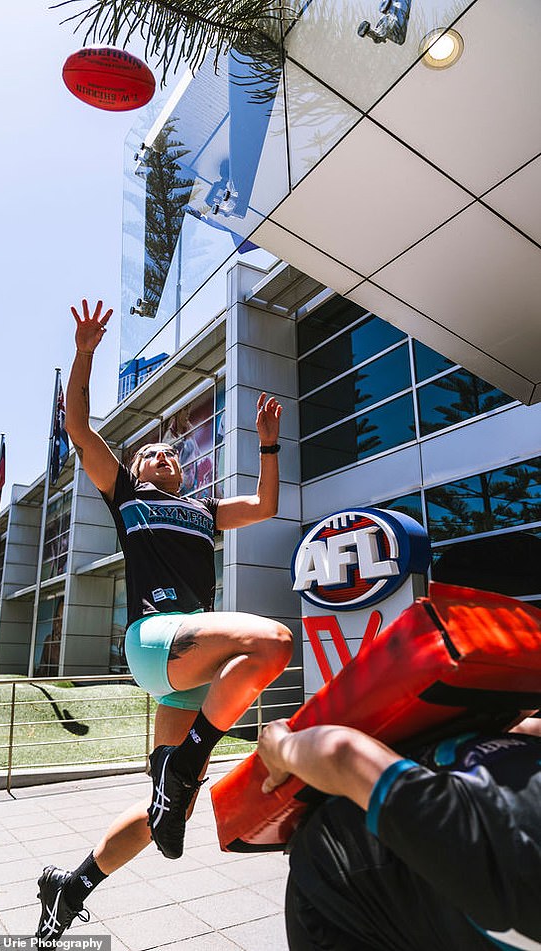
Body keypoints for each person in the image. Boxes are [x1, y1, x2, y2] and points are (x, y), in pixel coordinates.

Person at [34, 299, 293, 942]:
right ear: (135, 468)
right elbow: (77, 426)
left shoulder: (203, 510)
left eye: (172, 457)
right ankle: (191, 759)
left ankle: (70, 889)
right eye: (152, 454)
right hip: (155, 639)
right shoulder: (125, 495)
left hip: (188, 669)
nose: (164, 459)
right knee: (274, 642)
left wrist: (266, 445)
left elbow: (264, 504)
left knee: (165, 808)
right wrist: (87, 352)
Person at [256, 716, 541, 951]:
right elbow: (342, 756)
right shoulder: (509, 869)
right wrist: (280, 746)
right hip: (339, 891)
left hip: (439, 867)